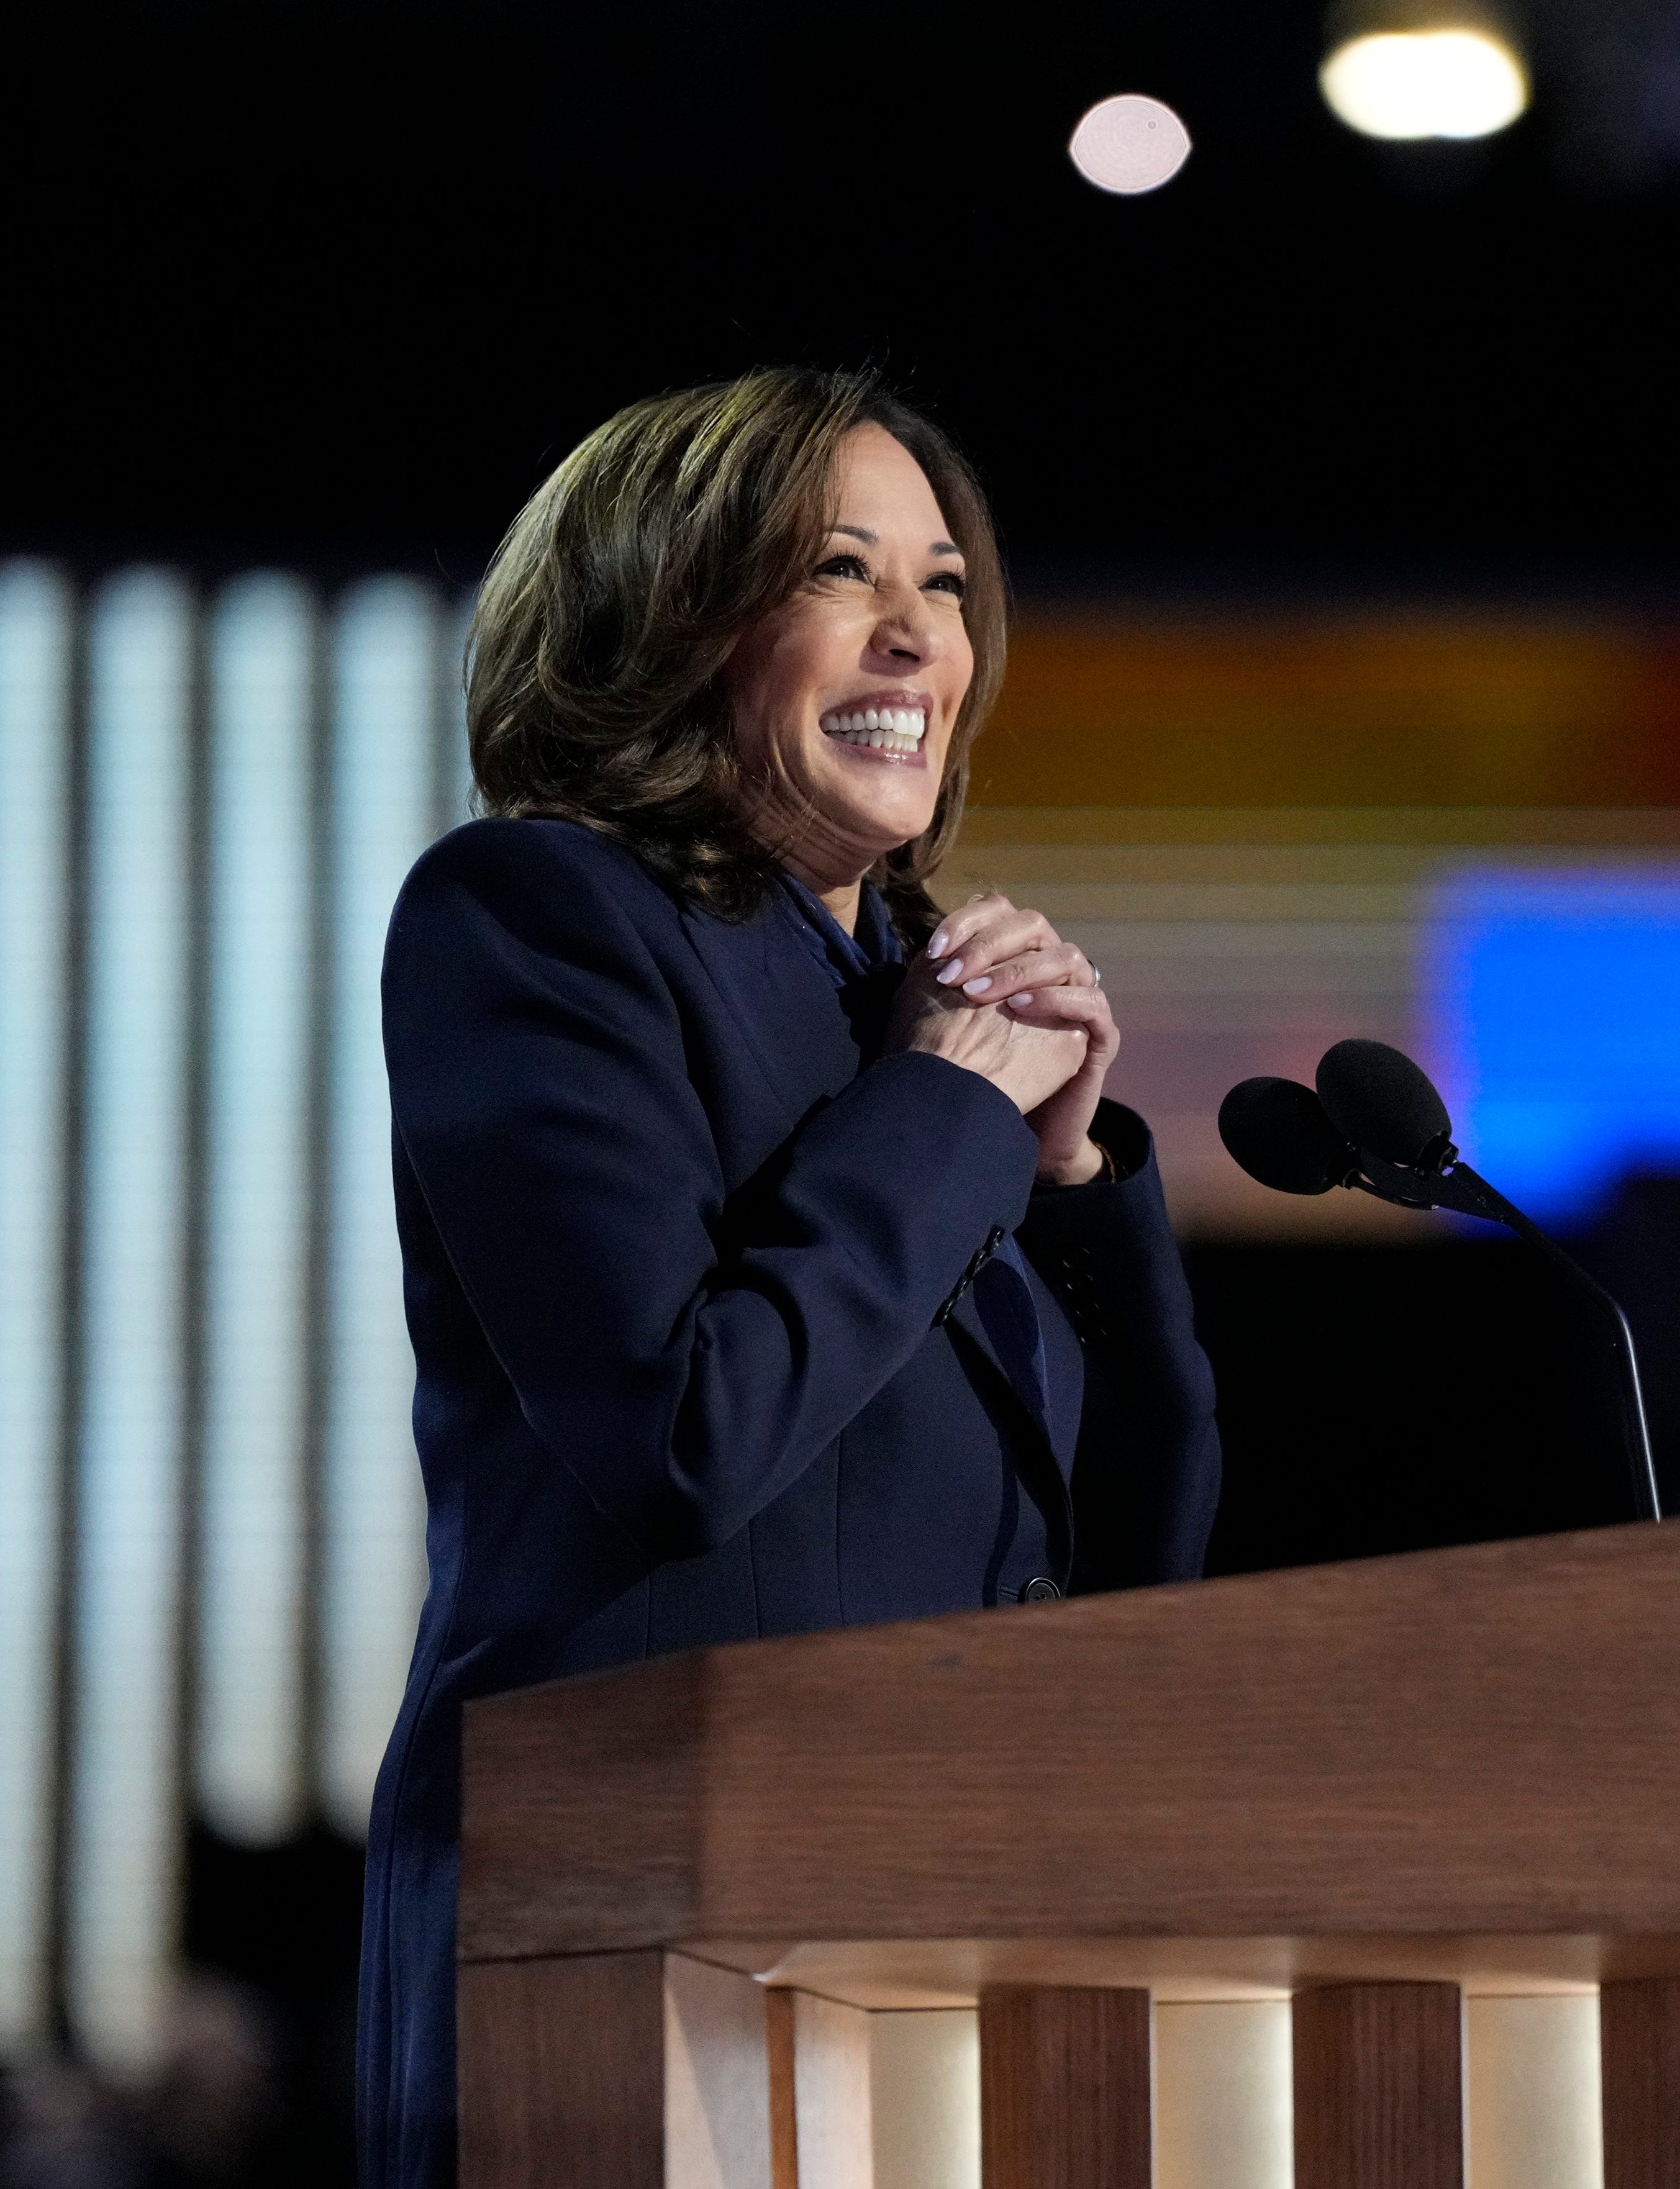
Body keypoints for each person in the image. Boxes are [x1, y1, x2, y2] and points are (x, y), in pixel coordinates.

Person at [355, 368, 1221, 2189]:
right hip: (648, 1926)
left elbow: (1137, 1577)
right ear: (666, 620)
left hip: (944, 1943)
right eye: (842, 571)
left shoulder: (913, 1012)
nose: (919, 637)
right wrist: (941, 1109)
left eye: (950, 588)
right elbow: (685, 1433)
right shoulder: (538, 917)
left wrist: (1069, 1170)